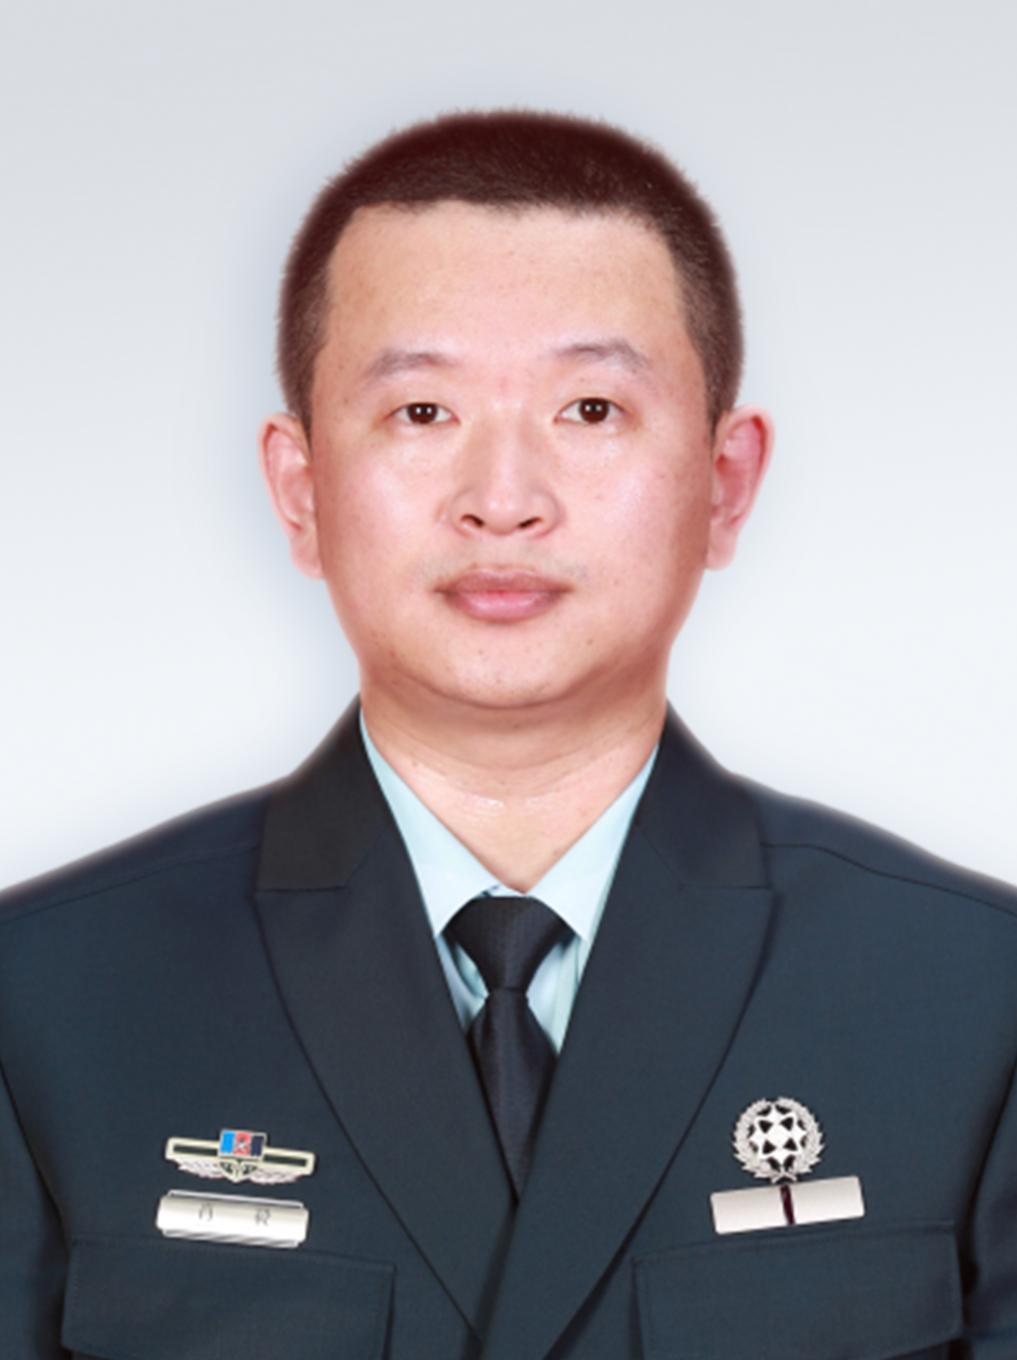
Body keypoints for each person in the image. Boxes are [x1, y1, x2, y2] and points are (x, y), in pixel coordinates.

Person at [1, 108, 1015, 1360]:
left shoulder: (973, 1000)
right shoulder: (45, 1005)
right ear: (301, 491)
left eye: (590, 408)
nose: (503, 501)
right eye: (422, 412)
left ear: (724, 482)